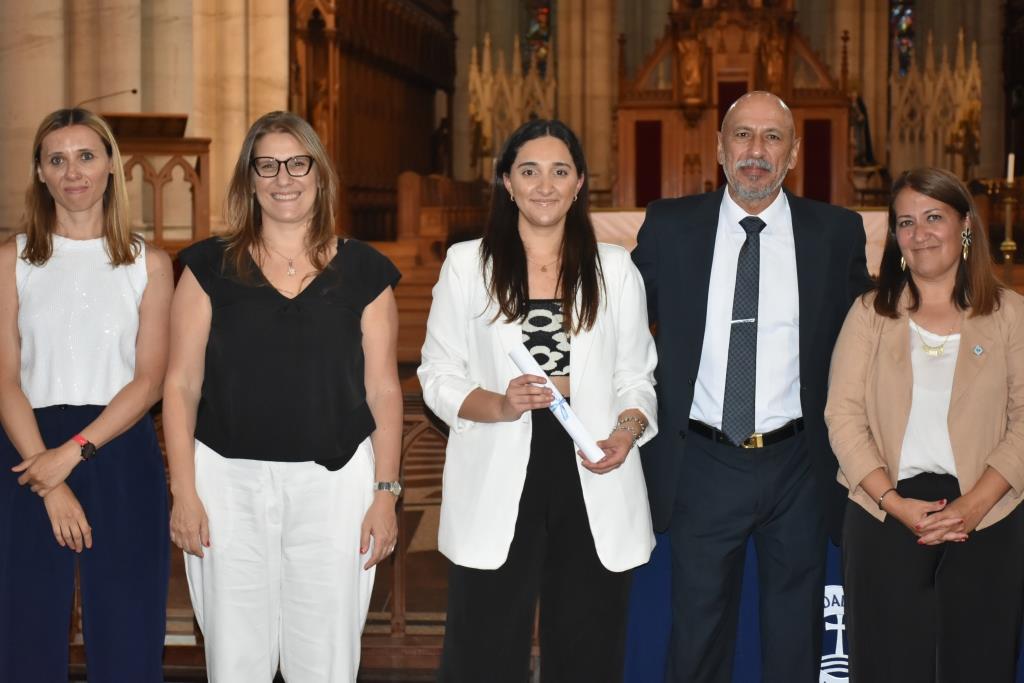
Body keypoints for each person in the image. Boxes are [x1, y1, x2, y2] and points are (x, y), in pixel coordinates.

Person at [632, 91, 871, 682]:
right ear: (719, 148)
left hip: (800, 463)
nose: (755, 151)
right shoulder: (671, 225)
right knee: (697, 633)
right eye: (742, 135)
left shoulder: (836, 232)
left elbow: (872, 334)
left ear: (792, 154)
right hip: (704, 461)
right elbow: (621, 324)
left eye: (772, 138)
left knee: (795, 637)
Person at [163, 111, 402, 683]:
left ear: (319, 175)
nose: (283, 178)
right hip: (226, 483)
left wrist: (386, 494)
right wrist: (184, 492)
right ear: (249, 178)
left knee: (323, 659)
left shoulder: (364, 270)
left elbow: (383, 389)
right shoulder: (207, 267)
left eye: (298, 163)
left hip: (334, 484)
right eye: (266, 165)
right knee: (235, 657)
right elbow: (180, 383)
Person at [418, 119, 658, 682]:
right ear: (506, 182)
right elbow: (437, 374)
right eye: (529, 171)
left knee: (587, 646)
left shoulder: (615, 269)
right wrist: (499, 404)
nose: (544, 185)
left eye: (559, 171)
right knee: (484, 645)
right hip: (500, 459)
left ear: (579, 185)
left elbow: (638, 377)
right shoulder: (466, 265)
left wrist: (625, 432)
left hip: (591, 462)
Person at [825, 167, 1024, 682]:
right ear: (894, 239)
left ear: (964, 226)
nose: (920, 233)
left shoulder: (1010, 315)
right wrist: (891, 503)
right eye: (906, 222)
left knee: (979, 664)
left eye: (934, 217)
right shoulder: (869, 313)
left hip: (988, 515)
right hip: (884, 514)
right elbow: (842, 416)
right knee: (888, 666)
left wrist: (971, 509)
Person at [0, 108, 172, 681]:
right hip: (25, 446)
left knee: (127, 622)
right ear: (41, 174)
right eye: (57, 159)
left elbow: (148, 380)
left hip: (116, 446)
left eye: (86, 156)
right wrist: (46, 482)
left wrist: (69, 457)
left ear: (110, 169)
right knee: (25, 625)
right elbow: (4, 377)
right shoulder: (12, 260)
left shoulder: (149, 264)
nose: (73, 171)